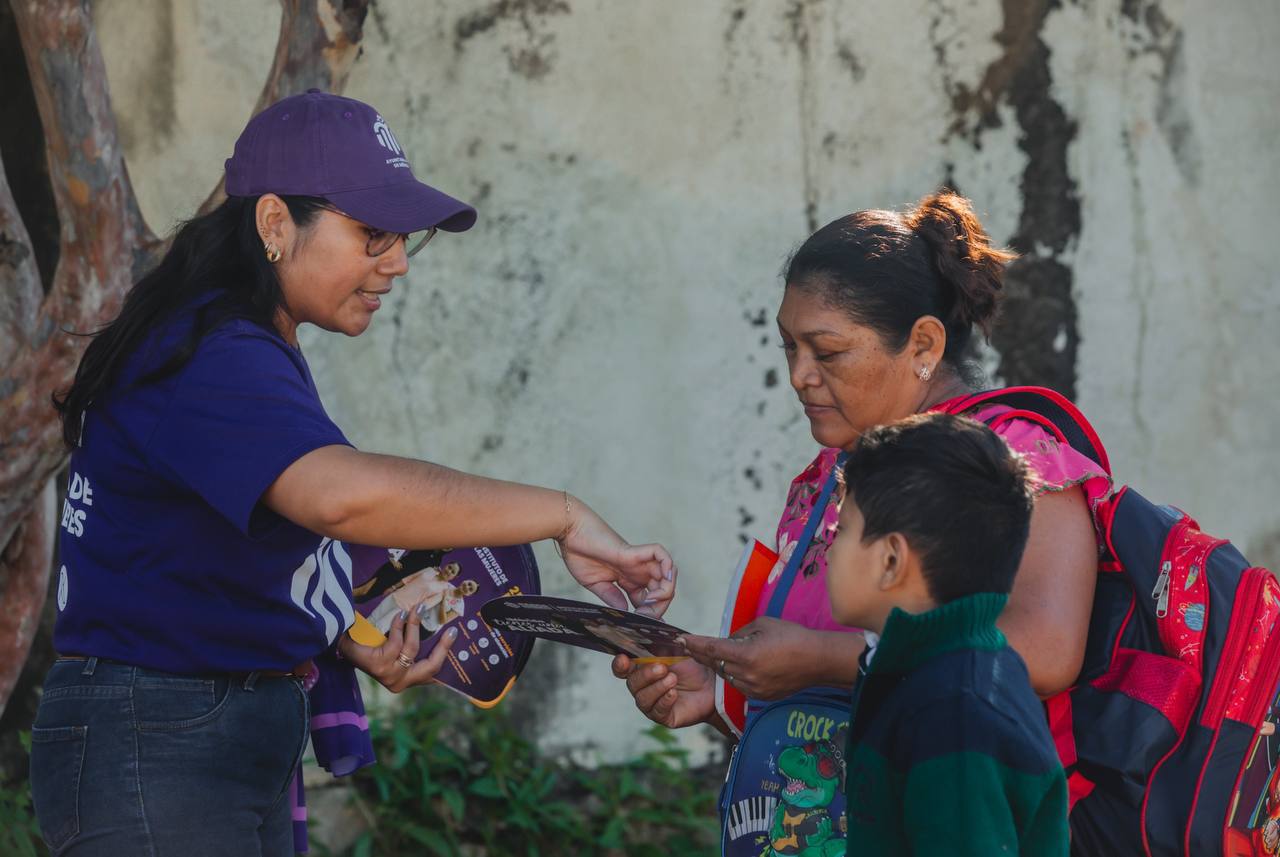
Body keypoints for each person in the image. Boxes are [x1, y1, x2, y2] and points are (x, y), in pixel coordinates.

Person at [28, 90, 675, 857]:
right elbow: (340, 496)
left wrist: (344, 634)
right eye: (371, 234)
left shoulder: (234, 341)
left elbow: (206, 556)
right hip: (160, 740)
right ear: (275, 223)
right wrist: (563, 514)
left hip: (192, 730)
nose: (396, 261)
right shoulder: (214, 351)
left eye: (402, 238)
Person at [612, 192, 1108, 846]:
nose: (798, 375)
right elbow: (836, 702)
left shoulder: (1011, 459)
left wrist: (817, 658)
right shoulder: (832, 479)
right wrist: (723, 690)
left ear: (923, 344)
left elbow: (1043, 648)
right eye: (789, 346)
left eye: (827, 351)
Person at [827, 412, 1068, 856]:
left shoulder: (955, 711)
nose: (828, 547)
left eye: (841, 531)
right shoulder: (926, 668)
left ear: (891, 561)